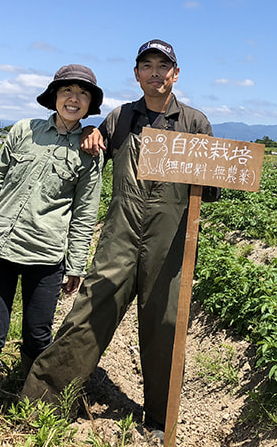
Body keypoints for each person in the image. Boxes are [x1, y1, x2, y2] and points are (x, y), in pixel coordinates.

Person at [21, 39, 220, 440]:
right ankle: (41, 399)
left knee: (165, 323)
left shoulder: (195, 123)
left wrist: (208, 173)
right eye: (146, 66)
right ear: (136, 74)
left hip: (169, 242)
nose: (155, 73)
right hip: (121, 233)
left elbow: (212, 191)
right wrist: (92, 134)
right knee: (92, 309)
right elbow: (93, 154)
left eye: (163, 66)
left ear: (175, 74)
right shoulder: (120, 117)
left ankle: (163, 418)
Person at [0, 64, 104, 447]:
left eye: (83, 93)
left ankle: (31, 402)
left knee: (38, 334)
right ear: (54, 97)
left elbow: (85, 212)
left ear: (90, 104)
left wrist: (75, 263)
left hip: (46, 255)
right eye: (67, 91)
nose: (74, 98)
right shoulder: (24, 131)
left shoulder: (91, 151)